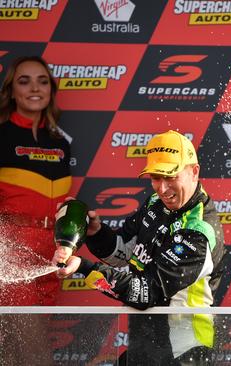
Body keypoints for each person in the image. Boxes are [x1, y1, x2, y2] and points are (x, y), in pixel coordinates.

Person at [54, 130, 226, 365]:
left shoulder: (199, 230)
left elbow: (146, 292)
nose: (162, 189)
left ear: (194, 171)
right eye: (156, 178)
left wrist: (84, 267)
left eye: (171, 177)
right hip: (145, 344)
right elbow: (124, 249)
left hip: (184, 352)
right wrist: (96, 232)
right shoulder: (157, 203)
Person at [0, 55, 71, 365]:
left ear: (51, 90)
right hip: (12, 252)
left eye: (42, 81)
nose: (34, 88)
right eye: (24, 80)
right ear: (10, 91)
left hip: (51, 252)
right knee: (36, 354)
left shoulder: (60, 142)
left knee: (12, 353)